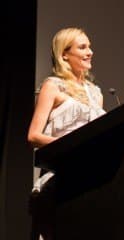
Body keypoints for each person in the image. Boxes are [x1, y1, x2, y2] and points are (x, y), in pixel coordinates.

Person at [27, 27, 106, 240]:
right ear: (64, 54)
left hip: (89, 180)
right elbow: (33, 136)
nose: (90, 52)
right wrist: (70, 144)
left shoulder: (96, 94)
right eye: (82, 47)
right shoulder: (52, 86)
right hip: (59, 179)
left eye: (89, 46)